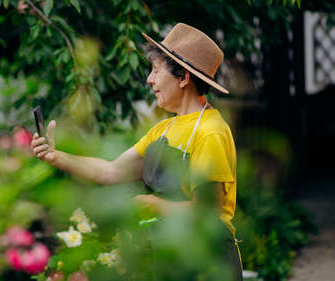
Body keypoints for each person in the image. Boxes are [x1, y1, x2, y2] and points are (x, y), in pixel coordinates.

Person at [31, 23, 242, 281]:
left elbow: (206, 213)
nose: (149, 79)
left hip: (206, 260)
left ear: (184, 78)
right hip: (170, 257)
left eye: (155, 70)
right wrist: (58, 157)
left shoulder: (210, 132)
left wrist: (151, 204)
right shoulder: (164, 129)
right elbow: (112, 171)